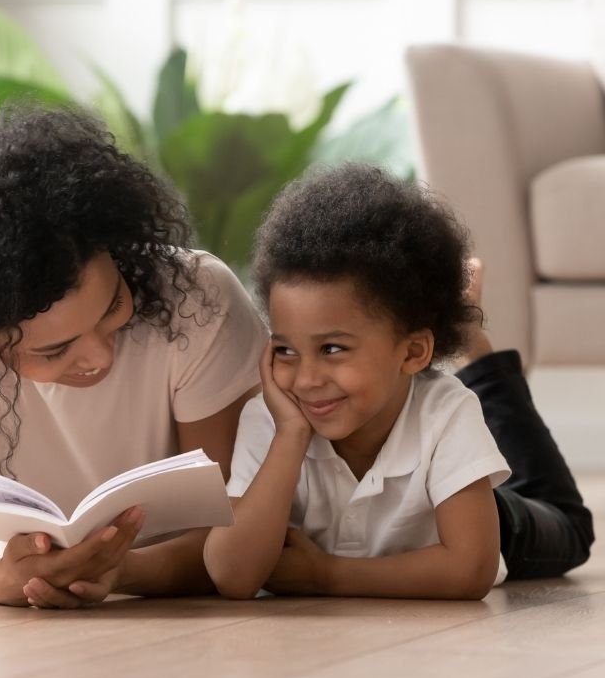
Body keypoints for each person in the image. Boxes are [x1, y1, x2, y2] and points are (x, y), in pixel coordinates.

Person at [0, 107, 267, 609]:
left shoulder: (196, 299)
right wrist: (2, 580)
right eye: (53, 349)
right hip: (9, 592)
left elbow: (228, 524)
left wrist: (120, 570)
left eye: (113, 305)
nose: (98, 356)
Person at [204, 164, 594, 600]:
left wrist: (327, 576)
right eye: (285, 350)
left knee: (570, 525)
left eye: (332, 348)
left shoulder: (446, 410)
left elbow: (470, 569)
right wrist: (290, 437)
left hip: (498, 521)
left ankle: (475, 350)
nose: (306, 379)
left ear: (412, 352)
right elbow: (232, 576)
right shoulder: (273, 419)